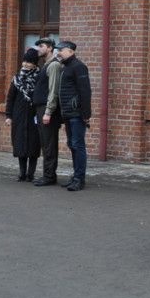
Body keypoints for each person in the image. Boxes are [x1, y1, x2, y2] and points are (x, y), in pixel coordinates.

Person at [54, 41, 91, 191]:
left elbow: (85, 92)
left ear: (70, 51)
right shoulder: (67, 67)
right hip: (69, 113)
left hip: (77, 114)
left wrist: (86, 114)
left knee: (78, 145)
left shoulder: (78, 66)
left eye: (61, 50)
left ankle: (79, 179)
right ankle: (75, 176)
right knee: (72, 145)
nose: (58, 53)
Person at [5, 47, 41, 181]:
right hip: (19, 115)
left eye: (29, 62)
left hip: (34, 116)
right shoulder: (16, 79)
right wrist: (9, 116)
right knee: (20, 144)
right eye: (24, 61)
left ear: (35, 64)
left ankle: (30, 174)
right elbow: (10, 98)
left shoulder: (39, 77)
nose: (25, 64)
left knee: (33, 145)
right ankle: (22, 173)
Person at [33, 38, 63, 186]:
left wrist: (48, 111)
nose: (38, 48)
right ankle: (47, 174)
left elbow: (53, 91)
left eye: (41, 46)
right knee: (45, 143)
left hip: (47, 109)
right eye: (38, 46)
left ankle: (49, 176)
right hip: (41, 108)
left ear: (50, 48)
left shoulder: (54, 65)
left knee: (49, 143)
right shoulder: (46, 65)